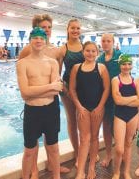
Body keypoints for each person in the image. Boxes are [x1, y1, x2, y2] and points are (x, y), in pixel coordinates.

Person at [19, 14, 69, 176]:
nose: (39, 39)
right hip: (32, 111)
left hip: (51, 109)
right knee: (29, 150)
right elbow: (25, 93)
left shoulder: (53, 59)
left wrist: (50, 87)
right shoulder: (23, 60)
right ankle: (31, 172)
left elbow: (57, 88)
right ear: (30, 39)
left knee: (53, 147)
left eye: (43, 35)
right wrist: (50, 86)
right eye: (35, 37)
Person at [69, 41, 110, 179]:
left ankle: (92, 167)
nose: (90, 53)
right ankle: (81, 171)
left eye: (93, 51)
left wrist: (100, 106)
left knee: (94, 137)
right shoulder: (76, 68)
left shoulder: (101, 68)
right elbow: (72, 89)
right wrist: (79, 107)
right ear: (83, 52)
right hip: (82, 108)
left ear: (97, 53)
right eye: (87, 50)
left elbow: (106, 89)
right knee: (84, 138)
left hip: (97, 108)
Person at [111, 54, 139, 179]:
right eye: (124, 64)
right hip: (120, 115)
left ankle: (126, 172)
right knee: (119, 149)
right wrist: (134, 97)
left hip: (133, 116)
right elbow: (117, 101)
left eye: (129, 64)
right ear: (120, 65)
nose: (126, 66)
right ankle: (116, 172)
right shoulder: (115, 80)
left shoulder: (136, 80)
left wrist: (124, 99)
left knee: (128, 144)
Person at [58, 19, 84, 167]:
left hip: (83, 89)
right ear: (67, 29)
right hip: (68, 89)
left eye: (78, 28)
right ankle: (77, 152)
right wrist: (64, 89)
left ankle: (86, 149)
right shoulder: (63, 49)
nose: (75, 30)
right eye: (73, 28)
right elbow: (58, 72)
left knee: (84, 121)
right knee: (72, 121)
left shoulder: (85, 47)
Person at [97, 33, 122, 167]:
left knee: (118, 128)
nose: (106, 43)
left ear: (113, 42)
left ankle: (120, 152)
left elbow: (127, 75)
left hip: (118, 98)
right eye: (103, 41)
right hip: (105, 98)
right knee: (106, 127)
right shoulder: (99, 59)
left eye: (108, 41)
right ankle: (108, 154)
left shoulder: (120, 57)